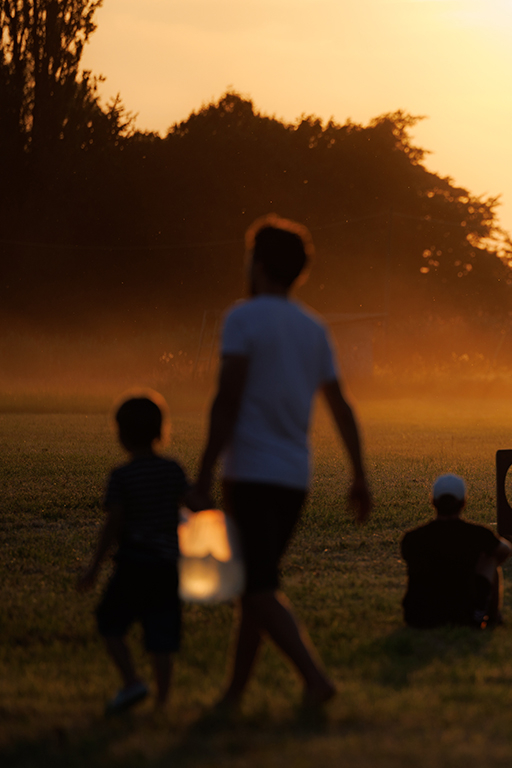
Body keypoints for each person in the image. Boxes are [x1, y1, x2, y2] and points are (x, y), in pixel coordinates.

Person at [187, 215, 372, 711]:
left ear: (261, 264)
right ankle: (234, 695)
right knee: (257, 581)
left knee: (256, 583)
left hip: (249, 473)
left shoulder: (242, 318)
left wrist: (203, 473)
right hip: (294, 479)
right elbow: (341, 405)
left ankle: (314, 678)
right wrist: (359, 475)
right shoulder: (313, 328)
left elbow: (227, 399)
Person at [77, 392, 189, 715]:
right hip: (167, 568)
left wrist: (94, 568)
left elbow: (113, 524)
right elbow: (192, 503)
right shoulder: (173, 470)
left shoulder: (121, 477)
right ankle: (163, 702)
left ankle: (131, 680)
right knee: (162, 635)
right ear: (160, 432)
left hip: (133, 564)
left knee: (109, 622)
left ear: (121, 435)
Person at [400, 474, 512, 628]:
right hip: (464, 616)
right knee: (490, 559)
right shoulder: (478, 535)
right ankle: (492, 617)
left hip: (418, 616)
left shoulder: (411, 538)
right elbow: (506, 549)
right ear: (463, 503)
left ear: (433, 502)